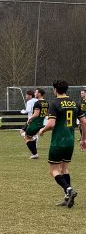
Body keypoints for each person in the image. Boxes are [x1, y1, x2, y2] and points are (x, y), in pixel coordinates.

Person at [39, 80, 86, 208]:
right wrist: (83, 139)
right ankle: (68, 198)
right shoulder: (75, 103)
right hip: (70, 141)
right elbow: (84, 122)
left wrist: (42, 130)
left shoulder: (54, 103)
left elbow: (51, 124)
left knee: (53, 170)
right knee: (64, 169)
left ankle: (69, 189)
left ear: (55, 89)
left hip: (58, 141)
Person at [23, 88, 48, 159]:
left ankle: (34, 154)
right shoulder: (46, 102)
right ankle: (34, 153)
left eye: (36, 92)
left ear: (39, 94)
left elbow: (36, 114)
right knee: (31, 137)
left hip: (35, 123)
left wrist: (29, 119)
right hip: (41, 122)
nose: (35, 94)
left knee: (26, 136)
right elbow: (46, 114)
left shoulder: (37, 103)